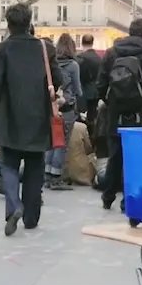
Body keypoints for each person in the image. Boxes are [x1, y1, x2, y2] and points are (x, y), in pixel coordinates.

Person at [0, 4, 64, 235]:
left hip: (10, 114)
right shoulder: (45, 48)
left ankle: (14, 206)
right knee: (34, 166)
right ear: (30, 21)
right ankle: (31, 217)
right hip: (38, 116)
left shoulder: (2, 49)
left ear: (8, 23)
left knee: (8, 163)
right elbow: (58, 79)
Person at [96, 17, 142, 212]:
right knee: (136, 159)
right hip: (141, 115)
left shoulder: (111, 53)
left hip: (116, 114)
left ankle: (108, 196)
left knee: (114, 156)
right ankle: (129, 199)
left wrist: (112, 102)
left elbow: (100, 85)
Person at [45, 33, 83, 190]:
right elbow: (78, 90)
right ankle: (56, 177)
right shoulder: (73, 65)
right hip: (67, 109)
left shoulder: (50, 64)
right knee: (62, 144)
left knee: (50, 143)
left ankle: (46, 175)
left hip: (50, 107)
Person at [77, 33, 103, 126]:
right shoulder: (99, 58)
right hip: (95, 92)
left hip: (83, 93)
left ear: (82, 42)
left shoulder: (80, 58)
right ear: (92, 43)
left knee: (83, 120)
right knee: (93, 118)